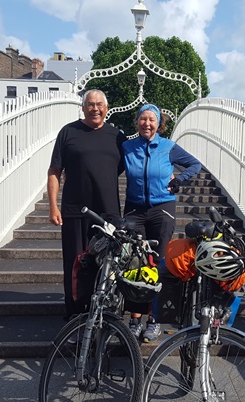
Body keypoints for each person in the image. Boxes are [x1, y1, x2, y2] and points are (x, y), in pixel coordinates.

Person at [121, 103, 201, 342]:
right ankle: (135, 319)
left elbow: (195, 165)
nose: (147, 123)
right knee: (135, 264)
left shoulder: (169, 147)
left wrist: (179, 181)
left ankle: (153, 319)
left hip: (161, 209)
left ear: (159, 124)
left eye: (152, 120)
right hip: (135, 209)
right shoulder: (127, 147)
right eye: (143, 119)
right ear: (137, 122)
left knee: (156, 263)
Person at [48, 89, 126, 320]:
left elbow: (130, 165)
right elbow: (54, 171)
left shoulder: (117, 136)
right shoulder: (68, 132)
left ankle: (105, 315)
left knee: (107, 266)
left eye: (99, 104)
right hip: (74, 211)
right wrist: (53, 206)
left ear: (107, 108)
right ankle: (75, 315)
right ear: (83, 108)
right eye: (90, 104)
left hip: (108, 214)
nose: (95, 109)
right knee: (75, 265)